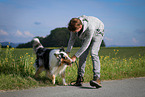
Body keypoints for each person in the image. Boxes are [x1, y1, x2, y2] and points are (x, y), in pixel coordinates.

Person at [66, 15, 104, 88]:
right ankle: (80, 78)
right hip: (86, 34)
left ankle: (97, 78)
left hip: (98, 32)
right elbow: (71, 40)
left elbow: (86, 45)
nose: (74, 33)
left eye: (75, 31)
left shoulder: (90, 28)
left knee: (93, 53)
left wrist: (74, 57)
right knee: (82, 55)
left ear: (80, 26)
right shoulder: (73, 26)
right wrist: (67, 54)